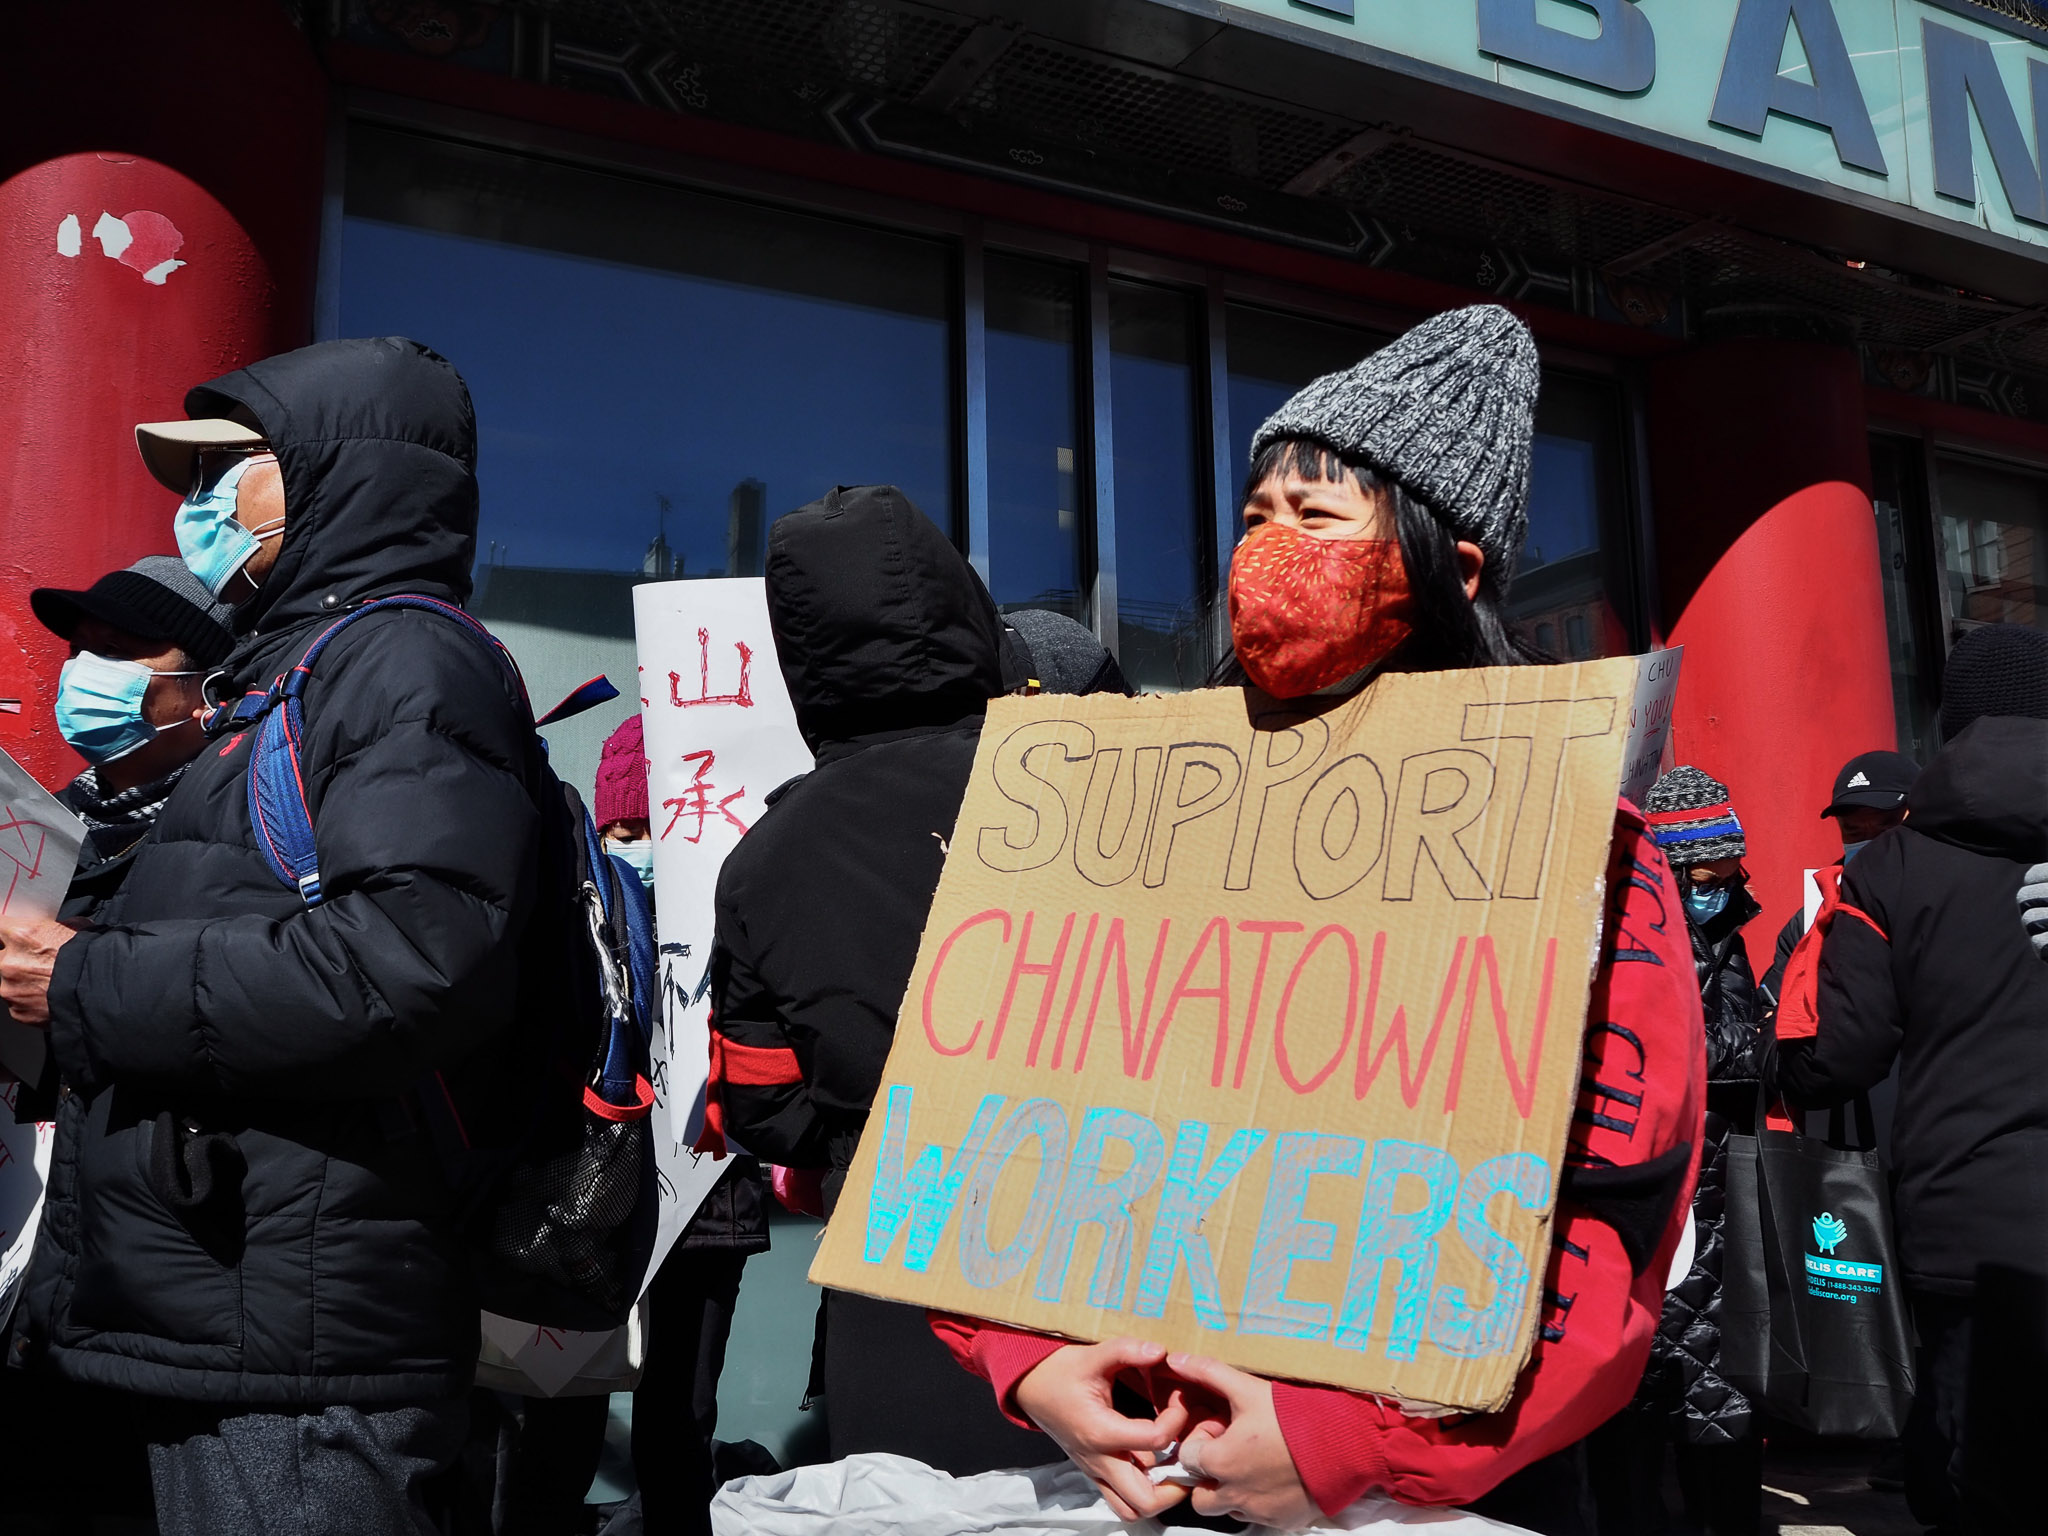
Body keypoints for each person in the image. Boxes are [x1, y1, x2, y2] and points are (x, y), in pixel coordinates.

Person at [932, 305, 1706, 1534]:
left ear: (1447, 572)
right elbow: (1007, 1114)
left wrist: (1348, 1445)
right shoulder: (1143, 810)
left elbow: (1614, 1213)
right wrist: (1025, 1356)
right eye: (1255, 517)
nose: (1268, 549)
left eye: (1316, 517)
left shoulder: (1580, 853)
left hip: (1430, 1494)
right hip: (1147, 1475)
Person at [0, 336, 562, 1536]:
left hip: (296, 1347)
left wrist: (84, 979)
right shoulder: (290, 676)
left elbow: (410, 963)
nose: (194, 504)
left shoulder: (401, 658)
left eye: (225, 471)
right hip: (197, 1311)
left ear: (327, 471)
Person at [701, 482, 1058, 1477]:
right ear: (963, 612)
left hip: (899, 1252)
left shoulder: (767, 855)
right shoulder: (1081, 788)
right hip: (1113, 1238)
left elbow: (760, 1102)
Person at [1775, 622, 2048, 1533]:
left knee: (1969, 1460)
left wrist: (1774, 1058)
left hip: (1962, 1213)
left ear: (1952, 721)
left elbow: (1841, 1059)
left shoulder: (1893, 865)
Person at [0, 556, 235, 1533]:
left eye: (128, 650)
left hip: (165, 1286)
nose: (86, 667)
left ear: (209, 692)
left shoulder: (240, 836)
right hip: (38, 1264)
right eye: (83, 645)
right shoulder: (50, 825)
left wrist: (82, 978)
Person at [1590, 767, 1764, 1536]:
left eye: (1731, 865)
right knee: (1685, 1377)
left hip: (1710, 1191)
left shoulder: (1718, 929)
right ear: (1679, 864)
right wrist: (1767, 1040)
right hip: (1682, 1190)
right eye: (1713, 867)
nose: (1726, 881)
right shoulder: (1663, 935)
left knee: (1694, 1375)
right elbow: (1696, 1049)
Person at [1757, 750, 1916, 1012]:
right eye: (1853, 831)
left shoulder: (1951, 898)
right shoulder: (1812, 919)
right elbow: (1773, 1006)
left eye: (1886, 826)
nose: (1870, 843)